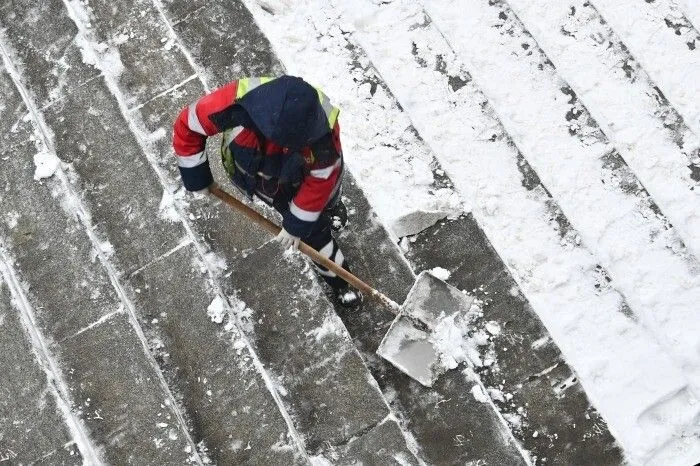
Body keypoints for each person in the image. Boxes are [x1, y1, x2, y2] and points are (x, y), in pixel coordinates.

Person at [172, 75, 361, 306]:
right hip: (253, 167)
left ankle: (342, 281)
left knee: (318, 218)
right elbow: (188, 125)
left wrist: (296, 225)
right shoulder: (239, 100)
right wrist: (197, 176)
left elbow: (322, 177)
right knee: (313, 232)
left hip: (299, 173)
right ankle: (340, 278)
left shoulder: (322, 136)